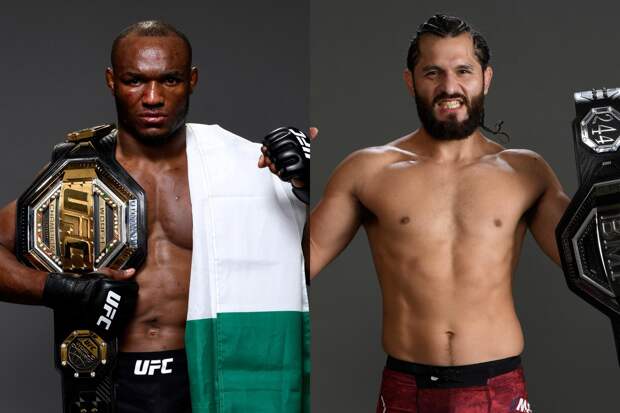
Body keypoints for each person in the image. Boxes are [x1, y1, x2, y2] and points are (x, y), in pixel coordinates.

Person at [0, 20, 309, 413]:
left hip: (212, 371)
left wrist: (303, 186)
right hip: (111, 380)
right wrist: (60, 290)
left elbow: (300, 263)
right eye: (134, 81)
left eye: (170, 81)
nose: (152, 97)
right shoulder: (76, 177)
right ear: (111, 81)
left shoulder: (243, 168)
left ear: (192, 80)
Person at [310, 14, 569, 413]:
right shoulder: (367, 171)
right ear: (411, 80)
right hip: (406, 388)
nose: (450, 87)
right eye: (433, 72)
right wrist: (292, 185)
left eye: (463, 71)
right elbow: (293, 267)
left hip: (498, 387)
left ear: (486, 78)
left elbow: (596, 264)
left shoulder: (526, 172)